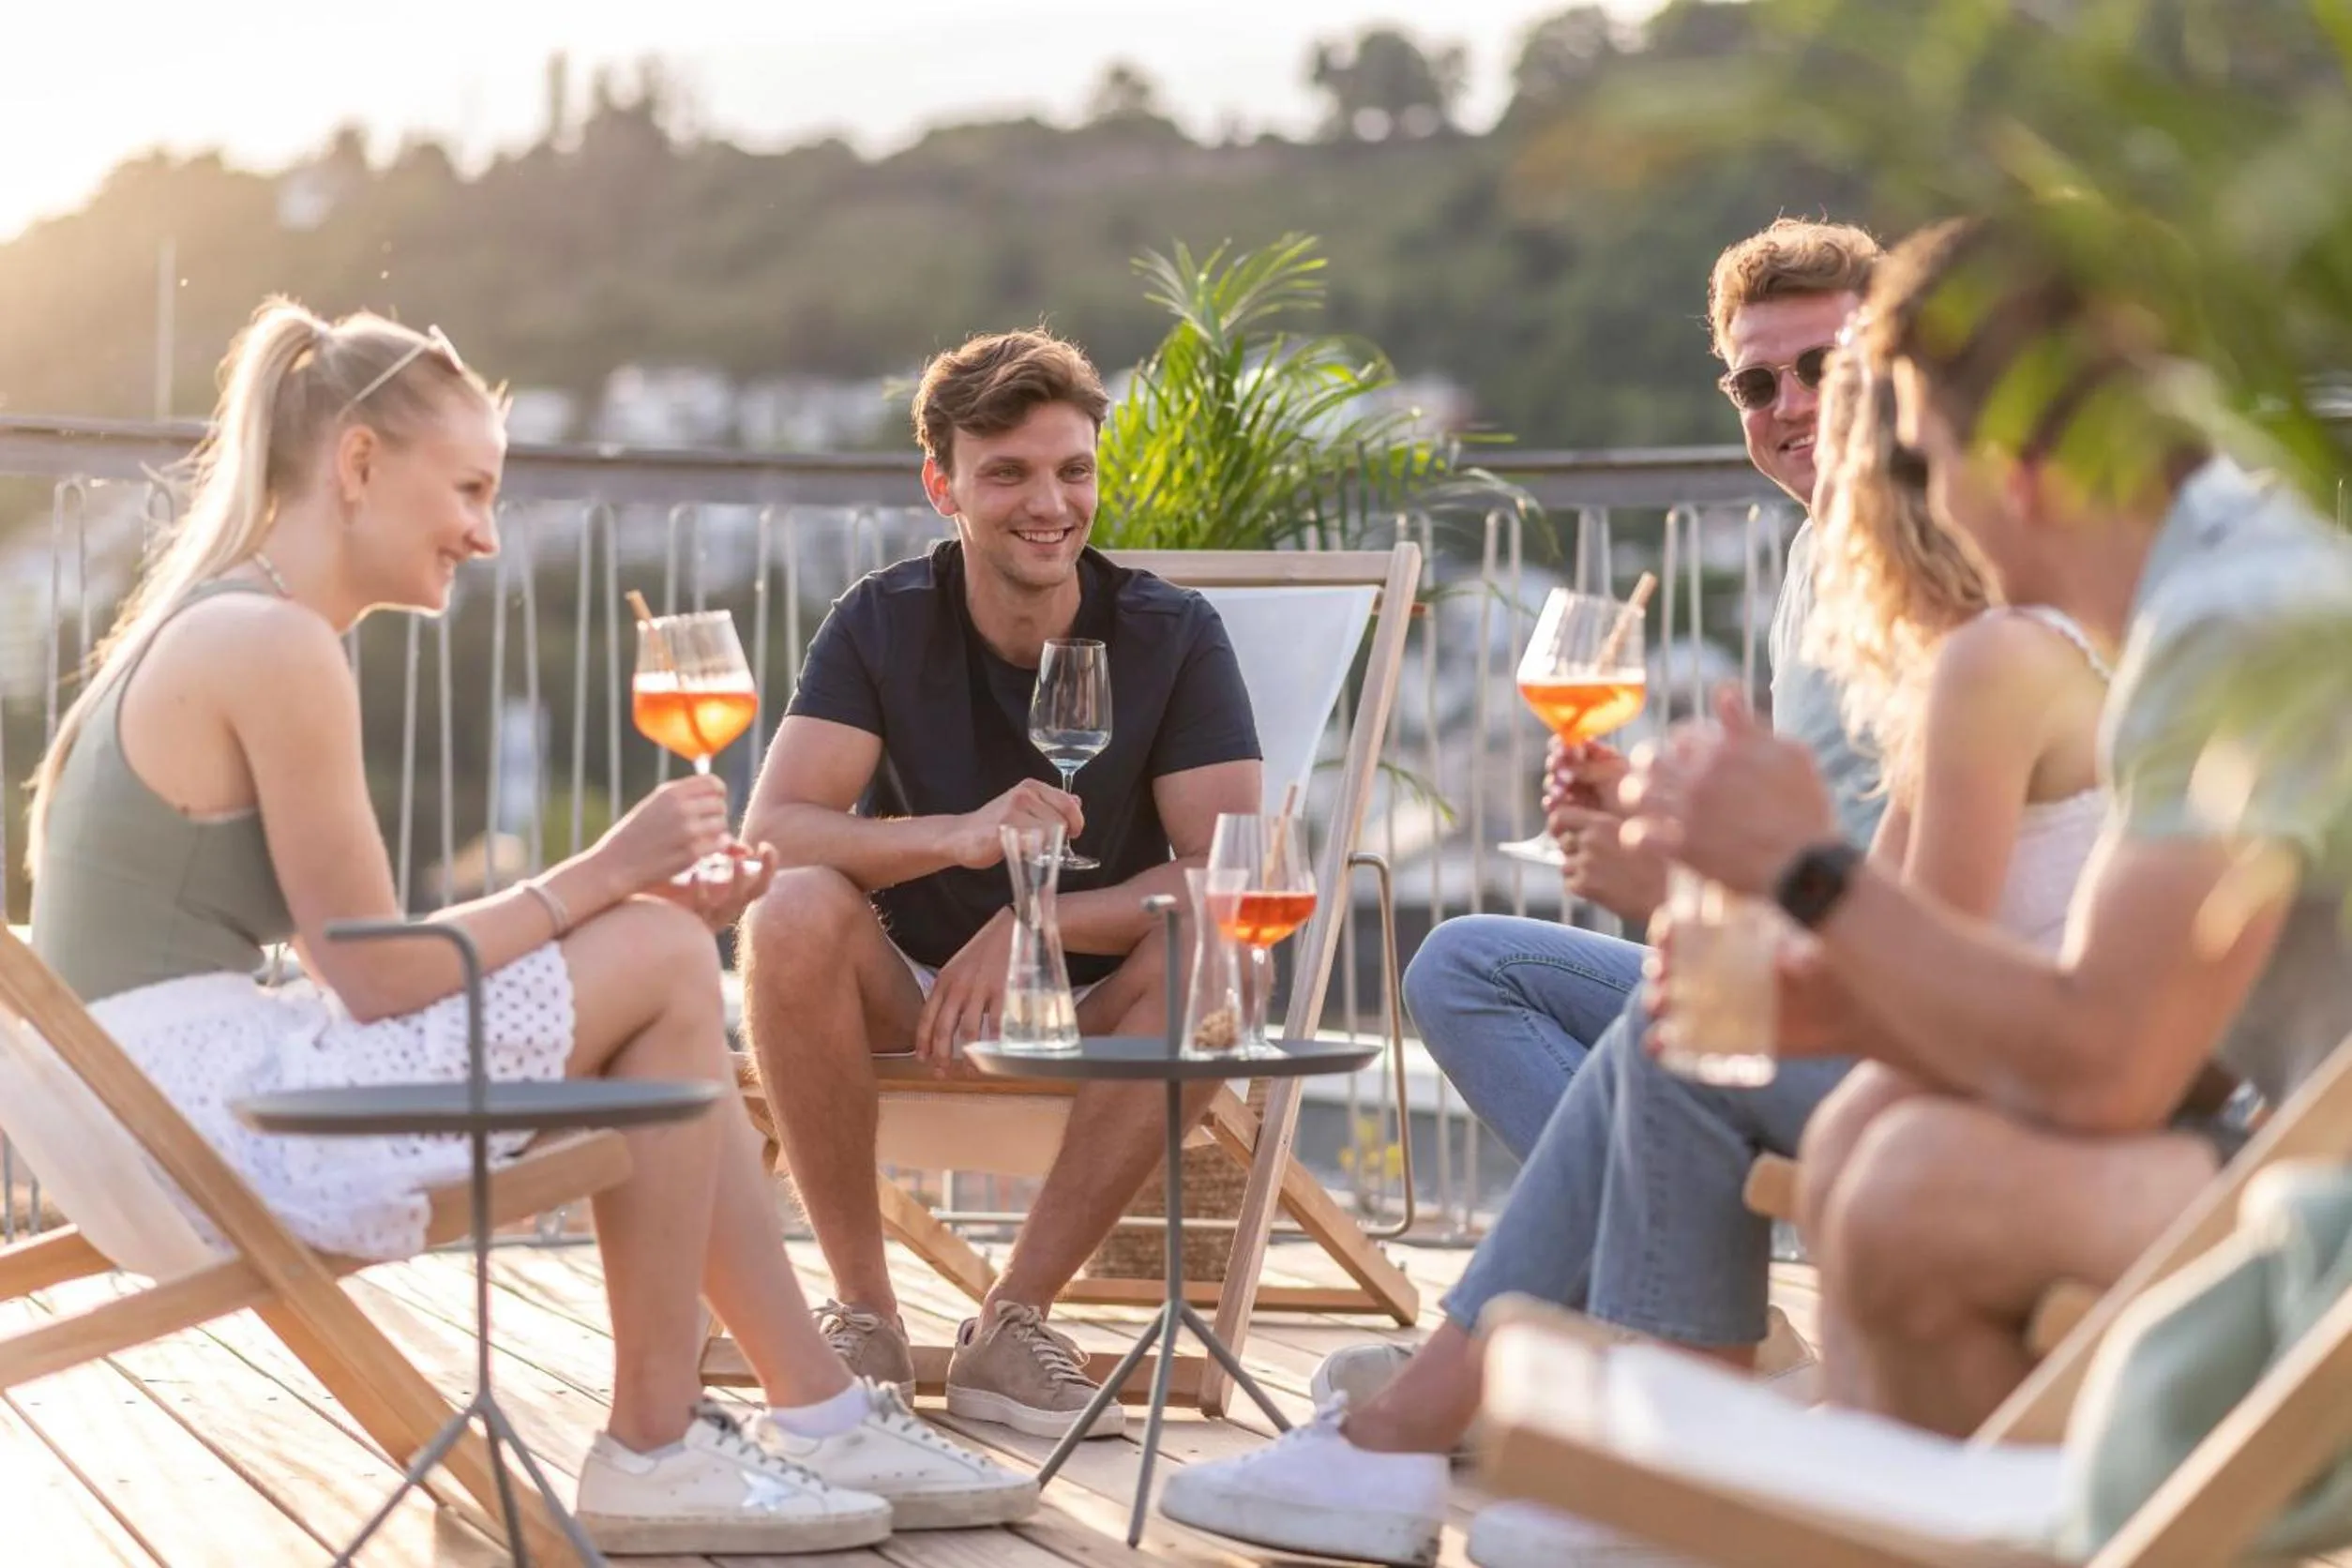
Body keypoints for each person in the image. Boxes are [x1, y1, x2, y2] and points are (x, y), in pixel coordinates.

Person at [24, 300, 1035, 1557]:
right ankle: (690, 1439)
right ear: (356, 465)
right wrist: (606, 874)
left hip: (152, 1100)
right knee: (666, 958)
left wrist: (616, 897)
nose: (487, 535)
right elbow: (374, 976)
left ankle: (791, 1414)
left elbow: (362, 966)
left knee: (660, 965)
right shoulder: (272, 645)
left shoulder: (227, 621)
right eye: (467, 489)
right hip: (209, 1118)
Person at [1160, 218, 1894, 1568]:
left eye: (1824, 370)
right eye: (1757, 383)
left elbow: (1886, 896)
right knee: (1465, 966)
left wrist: (1681, 882)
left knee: (1664, 1022)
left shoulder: (1931, 584)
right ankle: (1654, 1317)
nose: (1789, 407)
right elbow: (1811, 850)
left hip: (1880, 1015)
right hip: (1805, 974)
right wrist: (1669, 832)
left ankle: (1515, 1386)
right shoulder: (1811, 566)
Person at [1629, 216, 2352, 1440]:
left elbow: (2110, 1069)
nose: (1903, 496)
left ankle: (1952, 1514)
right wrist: (1843, 1004)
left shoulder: (2228, 626)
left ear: (2010, 464)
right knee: (1867, 1123)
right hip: (2276, 1122)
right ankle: (1926, 1511)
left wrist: (1807, 874)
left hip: (2317, 1188)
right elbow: (2153, 1016)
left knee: (1918, 1193)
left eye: (1916, 456)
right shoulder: (2194, 591)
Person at [738, 328, 1262, 1440]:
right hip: (913, 992)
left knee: (1218, 948)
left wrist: (1035, 921)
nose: (1050, 503)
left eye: (1073, 469)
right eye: (1009, 473)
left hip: (1097, 1001)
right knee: (789, 910)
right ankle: (867, 1318)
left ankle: (1014, 1323)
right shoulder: (884, 619)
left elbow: (1229, 870)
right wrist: (961, 839)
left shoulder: (1170, 635)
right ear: (944, 487)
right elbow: (776, 834)